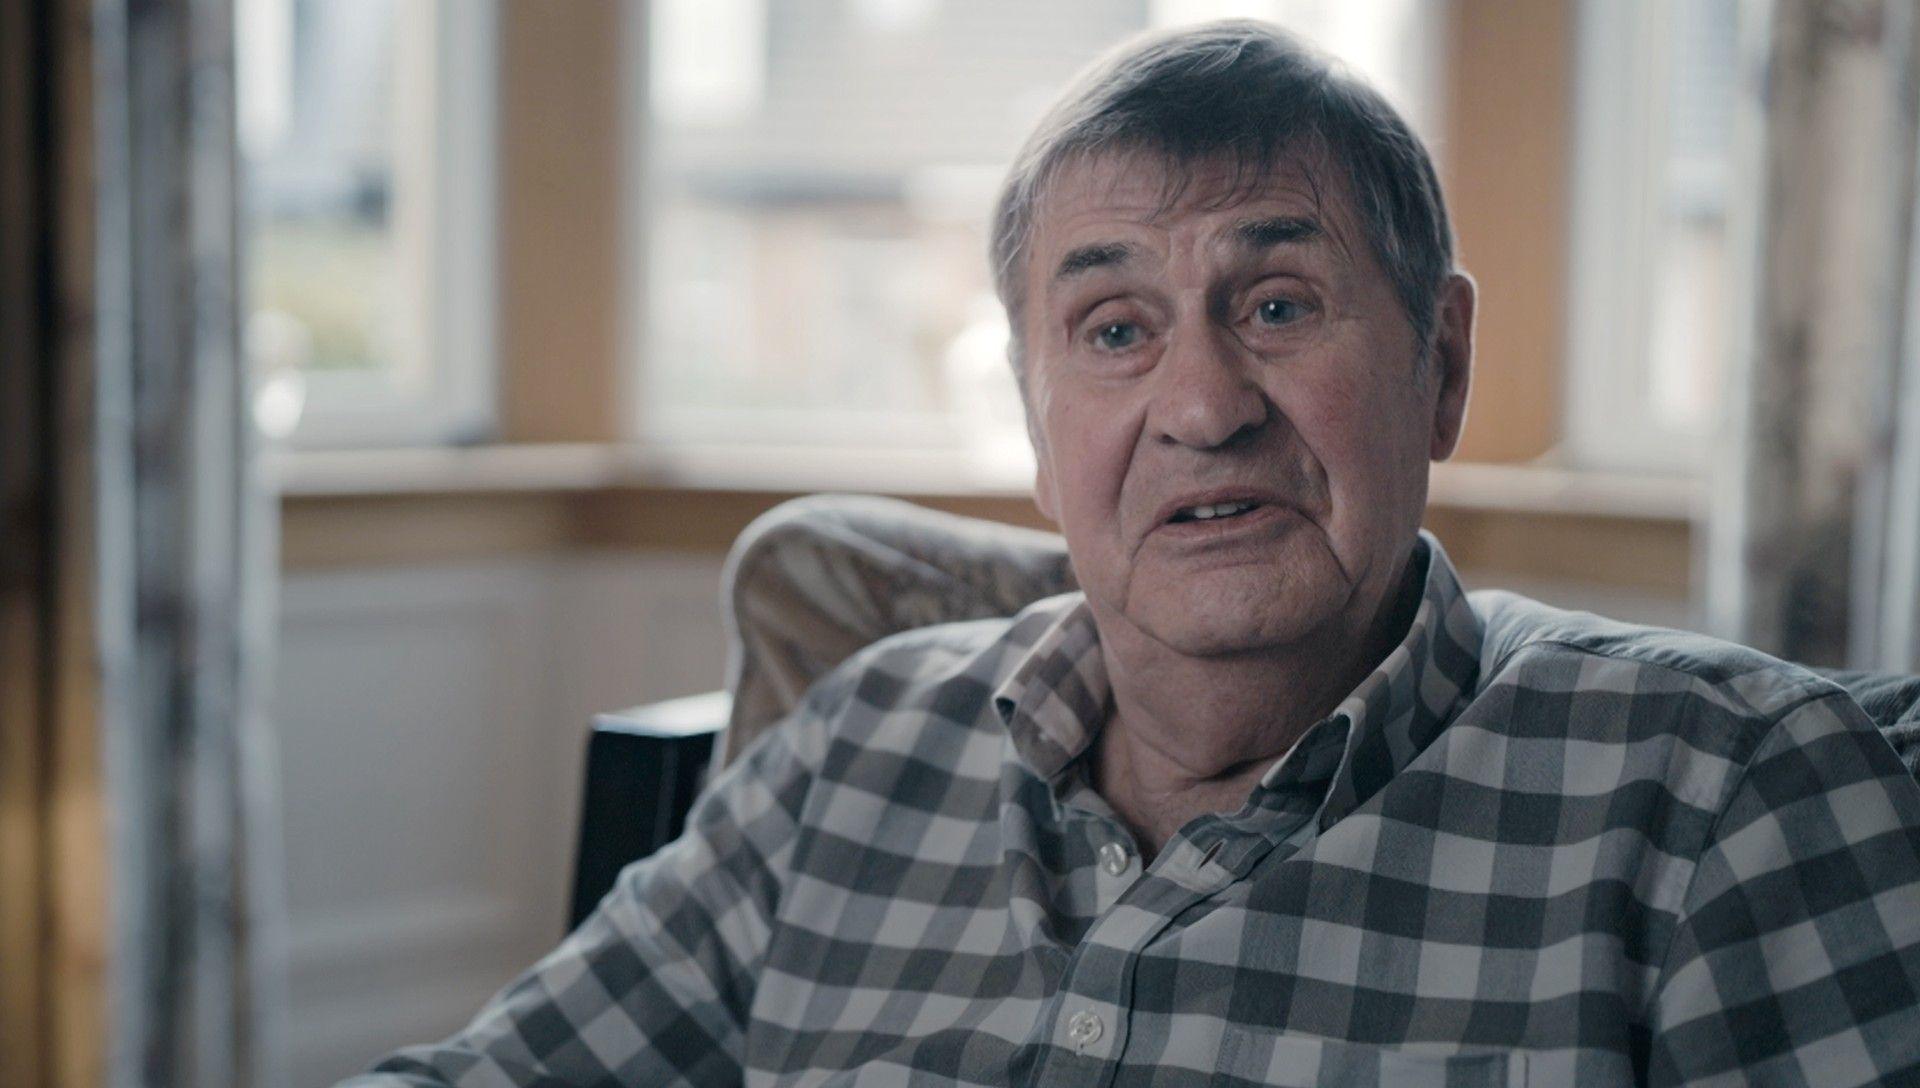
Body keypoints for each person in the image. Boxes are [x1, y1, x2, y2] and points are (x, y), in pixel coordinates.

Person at [346, 21, 1920, 1086]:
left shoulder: (1732, 795)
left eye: (1281, 303)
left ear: (1440, 365)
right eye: (1115, 329)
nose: (1201, 405)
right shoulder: (862, 741)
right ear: (1035, 430)